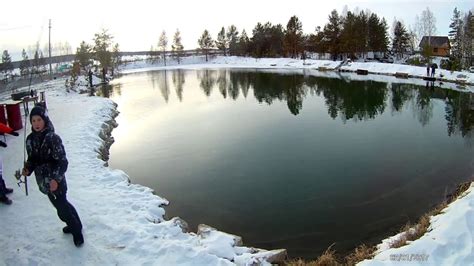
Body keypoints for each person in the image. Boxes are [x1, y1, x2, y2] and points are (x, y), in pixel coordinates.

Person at [22, 106, 84, 247]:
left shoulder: (53, 138)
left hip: (57, 182)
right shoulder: (30, 140)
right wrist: (27, 169)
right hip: (44, 183)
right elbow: (32, 159)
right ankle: (76, 225)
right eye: (33, 120)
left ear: (45, 120)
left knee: (62, 210)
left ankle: (77, 232)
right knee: (62, 206)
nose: (36, 123)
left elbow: (63, 162)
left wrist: (56, 179)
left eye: (39, 120)